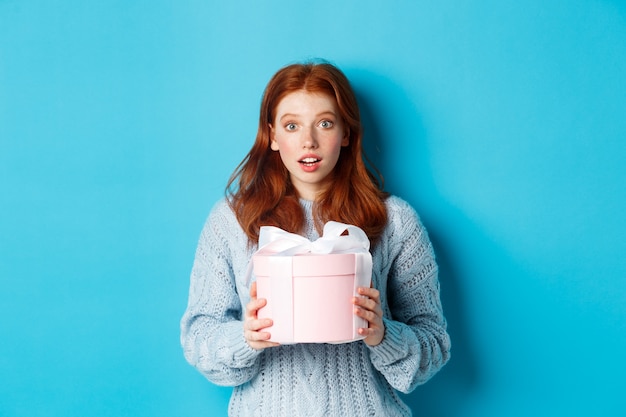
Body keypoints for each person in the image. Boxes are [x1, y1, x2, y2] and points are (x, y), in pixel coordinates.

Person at [180, 60, 451, 416]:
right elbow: (197, 336)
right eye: (292, 126)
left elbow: (434, 344)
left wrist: (381, 334)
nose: (309, 141)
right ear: (273, 135)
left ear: (347, 133)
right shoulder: (231, 221)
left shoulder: (395, 221)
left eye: (325, 123)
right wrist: (246, 338)